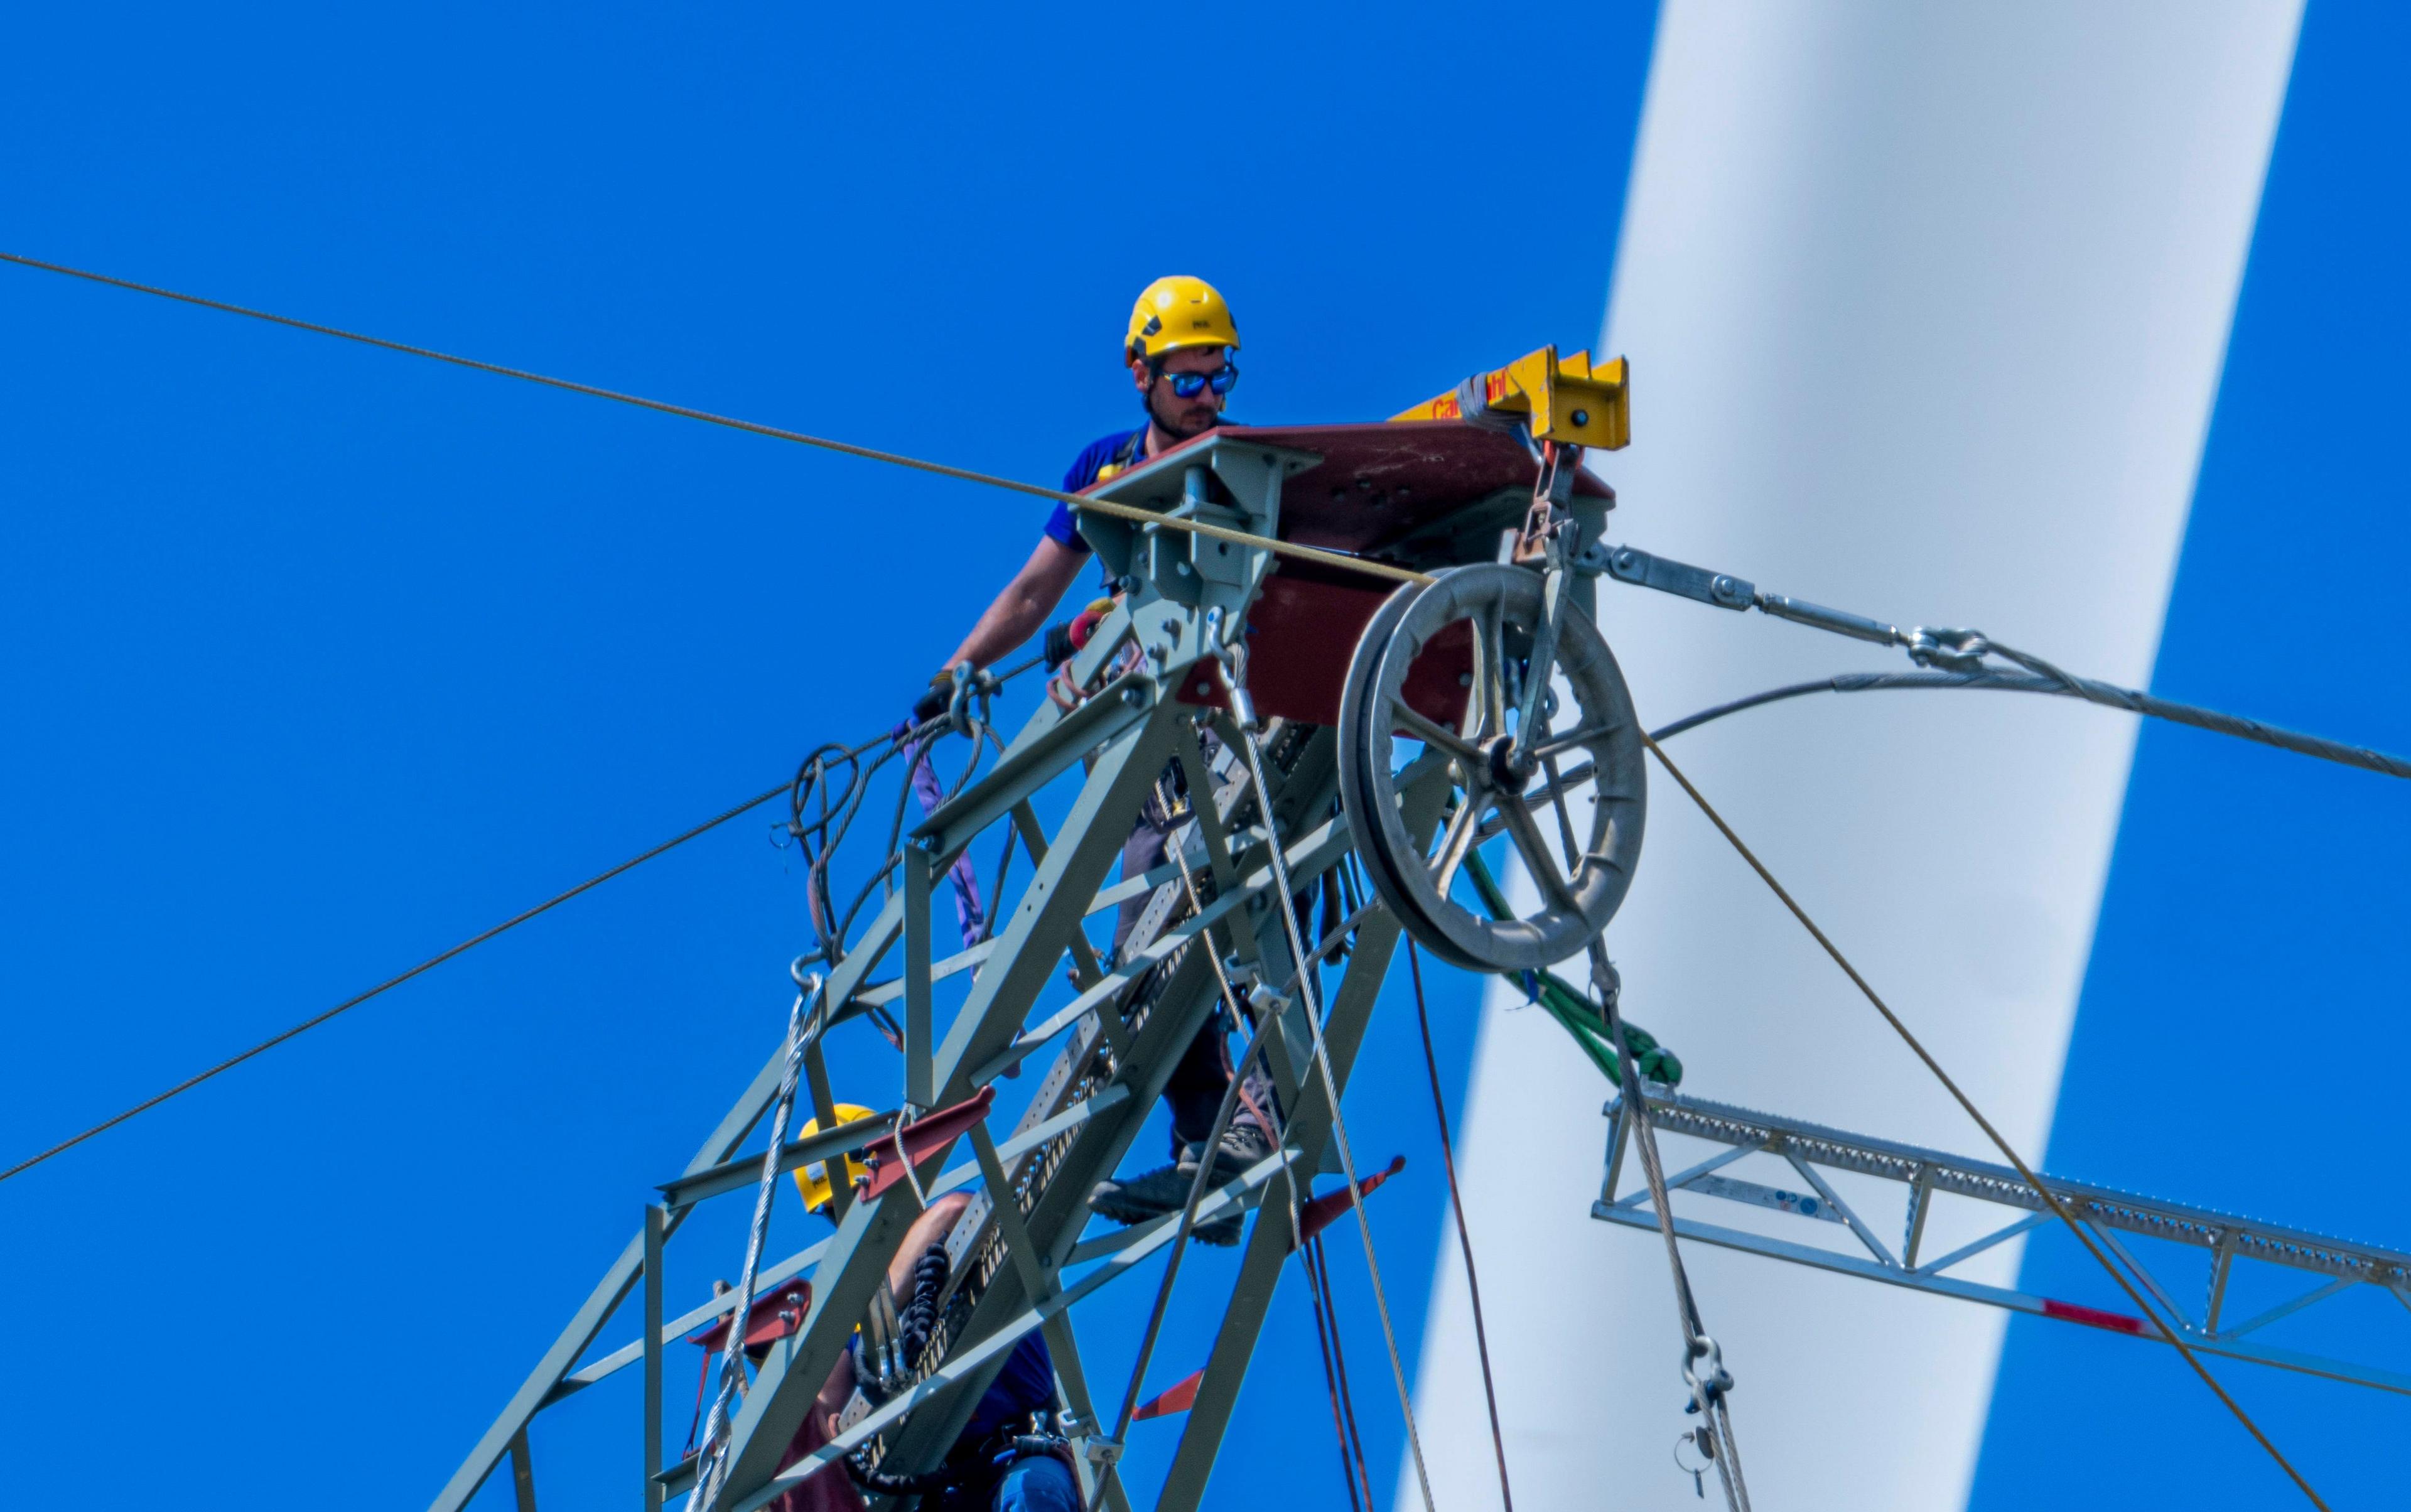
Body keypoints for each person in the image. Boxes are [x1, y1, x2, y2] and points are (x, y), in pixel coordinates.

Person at [907, 277, 1279, 1244]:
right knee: (1143, 936)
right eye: (1189, 378)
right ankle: (1208, 1140)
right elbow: (1035, 592)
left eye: (1219, 375)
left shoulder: (1241, 462)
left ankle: (1259, 1114)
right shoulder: (1106, 465)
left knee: (1232, 906)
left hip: (1229, 714)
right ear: (1141, 374)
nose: (1206, 395)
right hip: (1149, 738)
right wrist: (960, 673)